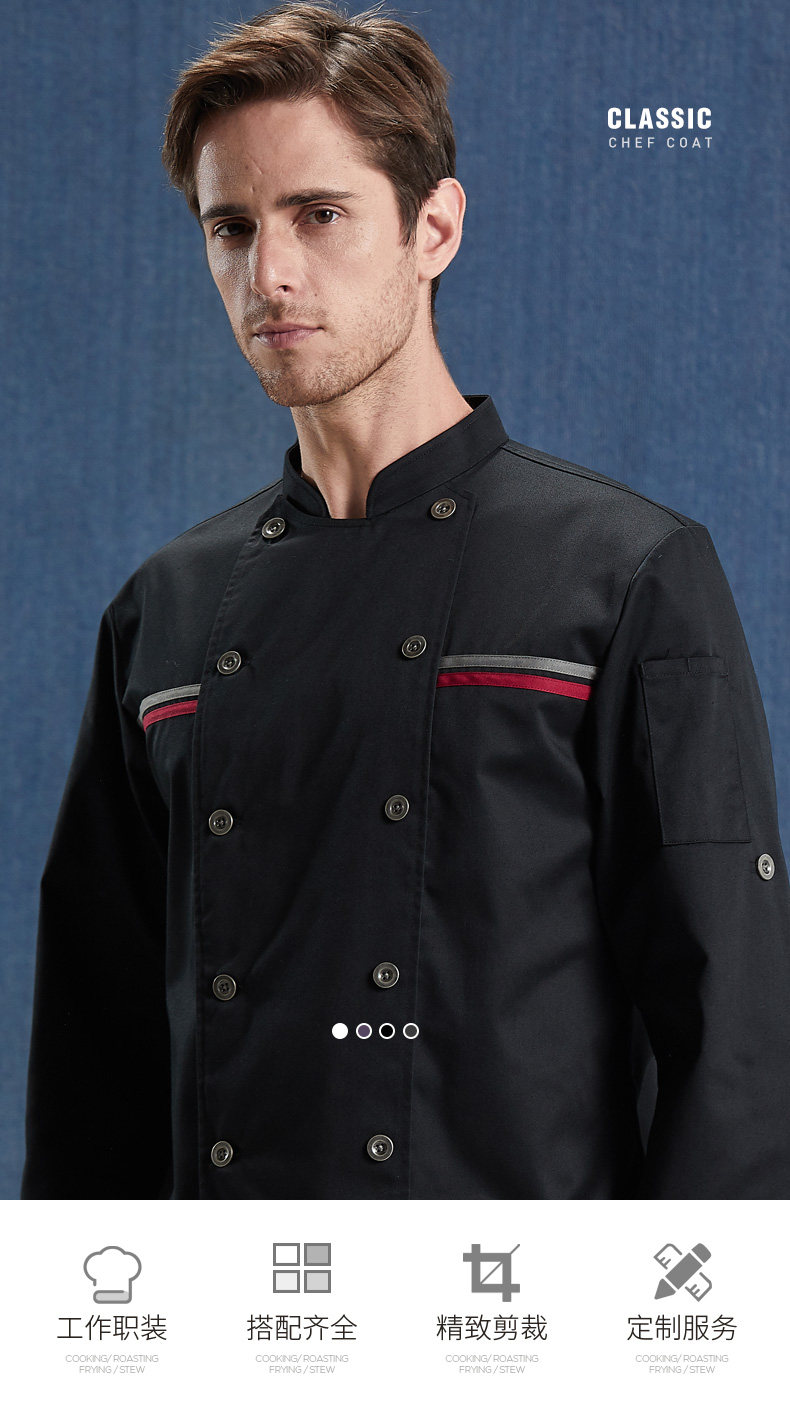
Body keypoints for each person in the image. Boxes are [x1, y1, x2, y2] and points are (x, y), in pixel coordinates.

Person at [21, 1, 790, 1201]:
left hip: (524, 1305)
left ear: (433, 227)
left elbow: (730, 1038)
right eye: (232, 227)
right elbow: (94, 1062)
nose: (269, 273)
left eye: (318, 214)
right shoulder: (163, 611)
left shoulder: (627, 573)